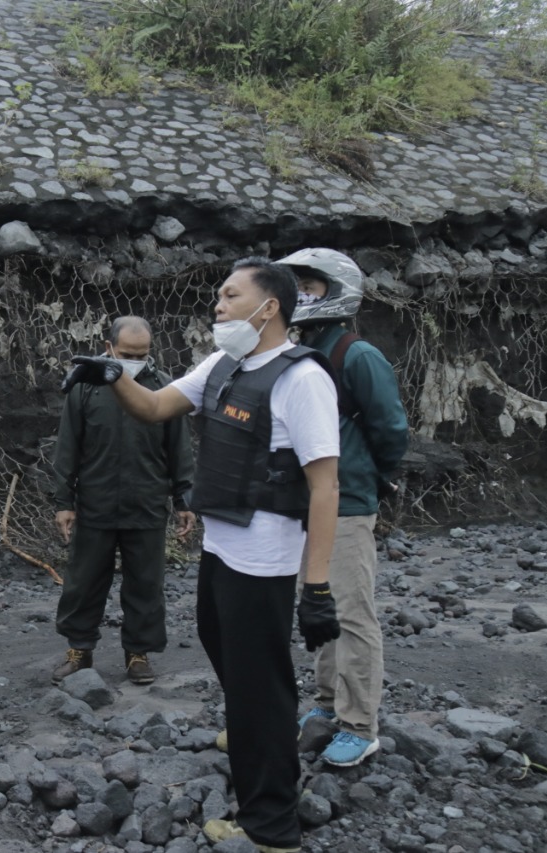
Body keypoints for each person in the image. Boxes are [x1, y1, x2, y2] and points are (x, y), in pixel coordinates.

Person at [64, 258, 342, 853]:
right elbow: (156, 406)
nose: (217, 304)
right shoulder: (224, 365)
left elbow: (325, 486)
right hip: (222, 547)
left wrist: (315, 587)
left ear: (269, 308)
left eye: (230, 294)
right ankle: (257, 751)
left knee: (260, 686)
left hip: (265, 561)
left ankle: (272, 827)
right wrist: (113, 374)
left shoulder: (301, 378)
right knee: (238, 673)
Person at [281, 248, 410, 767]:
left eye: (309, 286)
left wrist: (367, 478)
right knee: (320, 605)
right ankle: (328, 705)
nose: (298, 296)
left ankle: (361, 723)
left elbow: (391, 430)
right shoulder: (303, 350)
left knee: (353, 613)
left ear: (334, 292)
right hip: (309, 501)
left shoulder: (357, 355)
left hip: (347, 501)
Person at [51, 316, 195, 686]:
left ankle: (138, 654)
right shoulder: (86, 389)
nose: (134, 360)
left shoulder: (163, 389)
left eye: (142, 354)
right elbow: (68, 447)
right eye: (127, 354)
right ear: (108, 348)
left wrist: (184, 499)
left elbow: (179, 448)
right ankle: (79, 651)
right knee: (83, 582)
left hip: (146, 504)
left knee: (146, 585)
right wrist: (64, 501)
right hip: (95, 504)